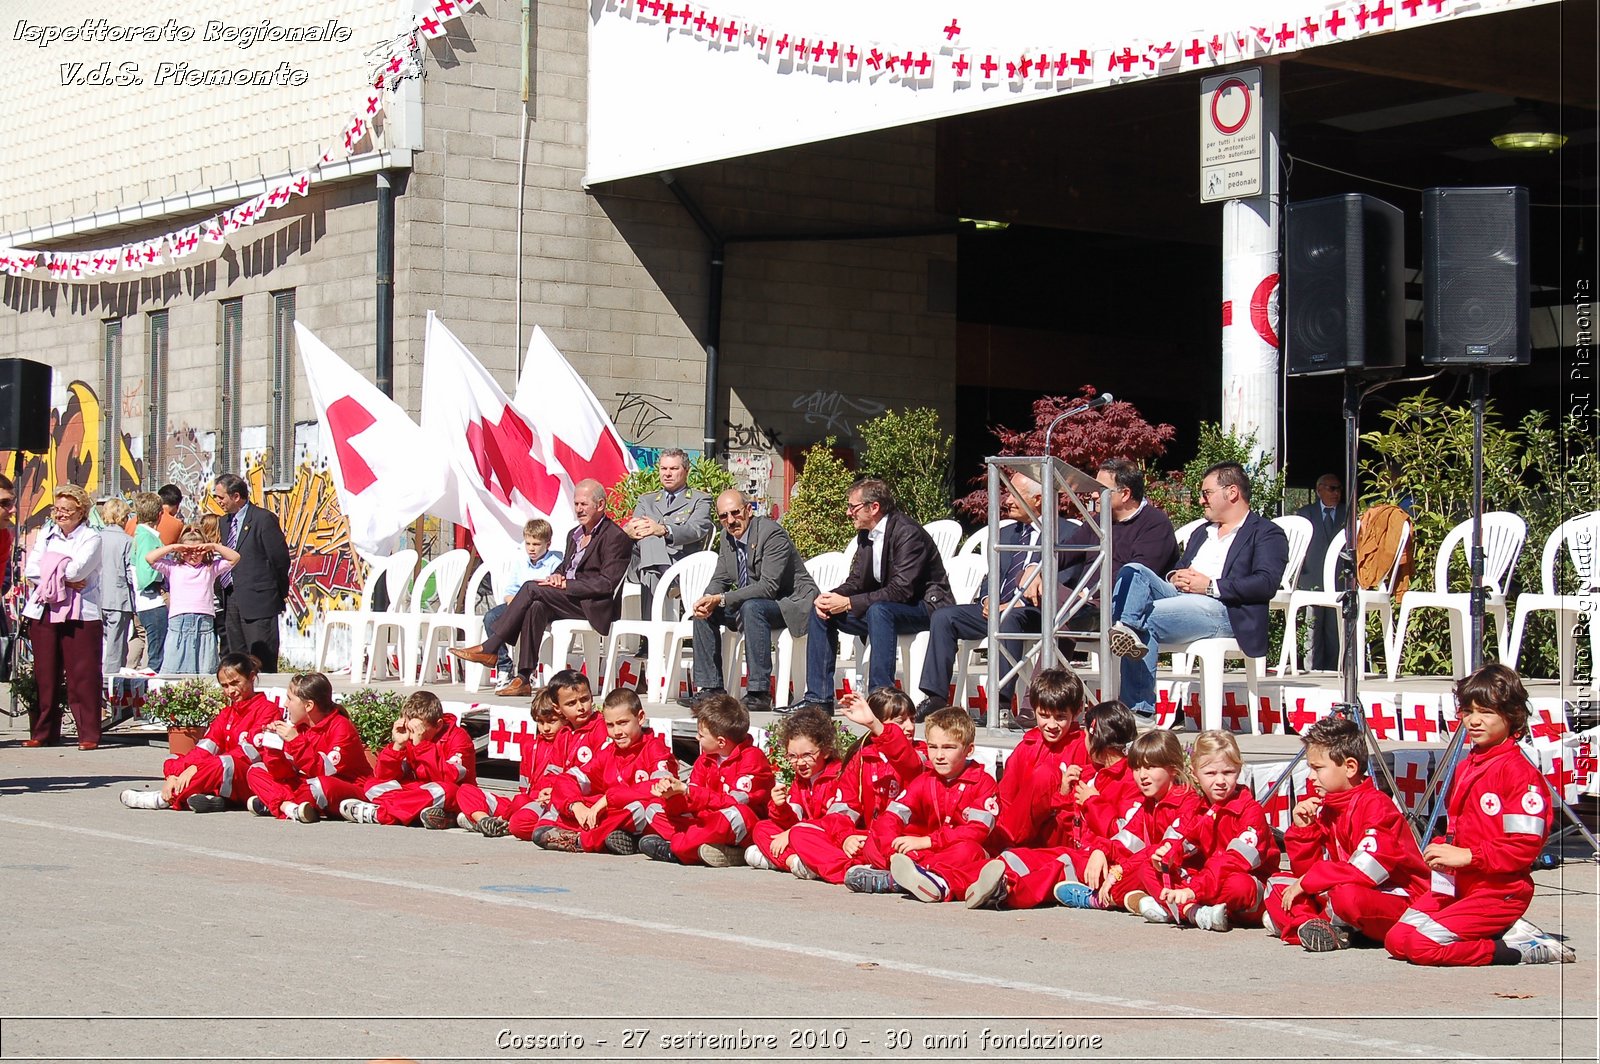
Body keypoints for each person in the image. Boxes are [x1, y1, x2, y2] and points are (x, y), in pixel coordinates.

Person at [1385, 665, 1575, 965]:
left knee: (1422, 948)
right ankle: (1496, 932)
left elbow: (1523, 847)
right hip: (1458, 886)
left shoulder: (1518, 774)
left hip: (1499, 892)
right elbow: (1461, 826)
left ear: (1511, 715)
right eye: (1468, 711)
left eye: (1485, 712)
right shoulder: (1467, 764)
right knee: (1397, 941)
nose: (1473, 721)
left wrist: (1468, 857)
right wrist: (1441, 847)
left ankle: (1520, 949)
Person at [1107, 461, 1289, 719]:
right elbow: (1179, 567)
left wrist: (1211, 586)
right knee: (1134, 570)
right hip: (1182, 600)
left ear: (1232, 492)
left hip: (1226, 610)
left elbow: (1266, 583)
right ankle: (1126, 628)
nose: (1201, 500)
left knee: (1142, 618)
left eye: (1206, 493)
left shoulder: (1267, 533)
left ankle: (1139, 711)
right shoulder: (1202, 532)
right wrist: (1175, 576)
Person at [449, 479, 630, 699]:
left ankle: (492, 646)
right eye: (576, 504)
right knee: (536, 605)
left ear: (600, 505)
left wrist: (567, 584)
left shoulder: (615, 537)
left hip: (591, 605)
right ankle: (523, 678)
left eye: (584, 504)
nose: (579, 509)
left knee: (530, 587)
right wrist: (557, 576)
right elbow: (567, 567)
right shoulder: (575, 534)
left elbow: (607, 583)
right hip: (568, 599)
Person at [1262, 715, 1429, 952]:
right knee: (1278, 884)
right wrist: (1303, 831)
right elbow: (1305, 872)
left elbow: (1367, 871)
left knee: (1345, 896)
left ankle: (1314, 925)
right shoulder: (1327, 807)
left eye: (1317, 768)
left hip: (1397, 897)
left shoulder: (1377, 806)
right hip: (1343, 890)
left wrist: (1310, 881)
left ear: (1350, 767)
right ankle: (1313, 927)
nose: (1310, 777)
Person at [791, 479, 953, 714]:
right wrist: (831, 597)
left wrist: (848, 603)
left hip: (924, 608)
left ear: (873, 507)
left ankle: (881, 698)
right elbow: (857, 580)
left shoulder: (907, 533)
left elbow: (901, 590)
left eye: (852, 507)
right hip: (886, 609)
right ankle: (819, 698)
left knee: (880, 610)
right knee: (823, 612)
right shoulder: (867, 534)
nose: (848, 513)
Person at [966, 699, 1140, 911]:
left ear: (1095, 739)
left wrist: (1094, 803)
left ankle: (1005, 891)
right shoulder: (1090, 773)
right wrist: (1064, 794)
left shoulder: (1132, 780)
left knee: (1059, 866)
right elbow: (1073, 825)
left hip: (1105, 862)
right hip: (1078, 850)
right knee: (1015, 856)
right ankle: (950, 880)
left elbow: (1128, 834)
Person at [914, 472, 1054, 722]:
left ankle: (1000, 704)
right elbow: (993, 575)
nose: (1007, 500)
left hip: (1036, 611)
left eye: (1014, 494)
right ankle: (936, 697)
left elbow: (1067, 576)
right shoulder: (1007, 533)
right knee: (945, 616)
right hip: (997, 608)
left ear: (1038, 500)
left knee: (1008, 619)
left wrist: (1012, 605)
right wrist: (988, 599)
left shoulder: (1061, 532)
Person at [847, 704, 999, 902]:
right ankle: (911, 873)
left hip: (958, 853)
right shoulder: (924, 780)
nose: (939, 756)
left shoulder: (984, 783)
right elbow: (891, 817)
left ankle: (897, 879)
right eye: (933, 747)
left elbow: (976, 832)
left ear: (969, 750)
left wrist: (927, 842)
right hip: (926, 853)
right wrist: (893, 851)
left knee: (969, 851)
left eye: (948, 748)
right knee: (873, 841)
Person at [690, 488, 819, 712]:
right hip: (755, 605)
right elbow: (720, 577)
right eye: (723, 516)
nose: (730, 521)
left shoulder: (772, 534)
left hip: (790, 603)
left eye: (735, 513)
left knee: (752, 608)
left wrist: (721, 598)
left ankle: (759, 693)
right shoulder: (726, 538)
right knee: (703, 614)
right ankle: (711, 689)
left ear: (749, 510)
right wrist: (707, 600)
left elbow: (768, 587)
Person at [783, 688, 925, 884]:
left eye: (912, 719)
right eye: (901, 722)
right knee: (801, 832)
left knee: (880, 848)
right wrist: (846, 838)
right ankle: (855, 873)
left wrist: (875, 725)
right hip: (867, 839)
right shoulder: (861, 757)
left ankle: (829, 867)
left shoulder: (922, 754)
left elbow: (910, 764)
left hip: (903, 839)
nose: (910, 727)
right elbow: (842, 810)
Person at [1054, 729, 1202, 915]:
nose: (1142, 776)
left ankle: (1100, 899)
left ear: (1173, 768)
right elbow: (1127, 839)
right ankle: (1140, 900)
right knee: (1103, 863)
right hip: (1159, 873)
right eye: (1137, 768)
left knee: (1140, 869)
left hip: (1185, 876)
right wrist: (1101, 850)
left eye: (1150, 767)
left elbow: (1162, 850)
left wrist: (1118, 872)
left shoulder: (1188, 802)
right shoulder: (1150, 804)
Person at [1146, 730, 1278, 931]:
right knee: (1148, 866)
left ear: (1239, 770)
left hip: (1246, 884)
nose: (1220, 781)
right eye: (1210, 773)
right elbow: (1178, 838)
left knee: (1238, 885)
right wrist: (1166, 855)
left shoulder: (1250, 811)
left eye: (1228, 772)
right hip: (1208, 881)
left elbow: (1233, 861)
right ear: (1195, 774)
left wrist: (1193, 890)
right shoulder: (1196, 807)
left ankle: (1183, 908)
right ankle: (1194, 911)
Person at [119, 653, 281, 810]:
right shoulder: (226, 713)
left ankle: (164, 799)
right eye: (225, 686)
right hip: (224, 777)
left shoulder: (268, 710)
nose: (230, 691)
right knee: (175, 758)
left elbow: (247, 753)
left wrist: (197, 768)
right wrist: (174, 775)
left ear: (252, 677)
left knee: (224, 763)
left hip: (251, 780)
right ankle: (208, 797)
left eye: (235, 683)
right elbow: (204, 748)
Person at [534, 687, 679, 854]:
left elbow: (660, 788)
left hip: (644, 815)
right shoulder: (608, 752)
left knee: (640, 807)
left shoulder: (655, 748)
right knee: (559, 802)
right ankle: (619, 837)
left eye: (623, 723)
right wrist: (577, 806)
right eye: (610, 725)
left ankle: (582, 840)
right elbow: (567, 779)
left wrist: (607, 800)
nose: (617, 732)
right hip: (614, 816)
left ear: (640, 718)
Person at [640, 692, 774, 866]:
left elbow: (732, 803)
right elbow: (693, 802)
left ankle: (677, 849)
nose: (697, 738)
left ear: (721, 742)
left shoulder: (752, 759)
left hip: (741, 825)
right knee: (653, 809)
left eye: (701, 735)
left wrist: (688, 791)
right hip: (707, 822)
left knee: (735, 815)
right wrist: (672, 796)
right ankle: (710, 850)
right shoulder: (705, 759)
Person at [21, 485, 103, 750]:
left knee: (83, 674)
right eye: (57, 509)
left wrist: (52, 568)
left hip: (82, 612)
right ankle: (44, 731)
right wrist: (59, 574)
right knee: (45, 673)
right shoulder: (46, 534)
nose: (60, 514)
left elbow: (79, 572)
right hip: (44, 607)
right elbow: (31, 569)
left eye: (66, 509)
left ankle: (88, 733)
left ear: (81, 511)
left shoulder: (92, 537)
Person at [339, 691, 476, 827]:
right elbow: (383, 776)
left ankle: (381, 814)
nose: (412, 735)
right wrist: (397, 746)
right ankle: (417, 812)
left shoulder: (458, 738)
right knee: (372, 785)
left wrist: (422, 746)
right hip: (419, 792)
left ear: (438, 725)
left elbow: (447, 778)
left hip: (453, 794)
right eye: (409, 728)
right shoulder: (408, 737)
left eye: (419, 729)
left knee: (445, 790)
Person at [244, 671, 366, 823]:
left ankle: (276, 802)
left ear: (308, 705)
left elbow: (325, 772)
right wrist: (273, 747)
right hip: (308, 786)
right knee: (256, 771)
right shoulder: (301, 728)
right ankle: (288, 807)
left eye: (290, 699)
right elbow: (282, 772)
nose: (285, 704)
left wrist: (296, 741)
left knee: (319, 786)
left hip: (342, 787)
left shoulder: (341, 726)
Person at [450, 687, 565, 837]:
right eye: (540, 722)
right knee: (465, 790)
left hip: (545, 805)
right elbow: (524, 787)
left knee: (521, 803)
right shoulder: (531, 747)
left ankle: (491, 822)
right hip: (523, 802)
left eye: (552, 721)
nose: (546, 728)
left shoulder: (566, 744)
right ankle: (485, 821)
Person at [511, 669, 608, 841]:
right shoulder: (563, 734)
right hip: (561, 799)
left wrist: (563, 791)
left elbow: (599, 775)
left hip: (589, 799)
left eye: (585, 699)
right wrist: (548, 789)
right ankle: (576, 832)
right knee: (519, 823)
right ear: (558, 708)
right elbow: (553, 772)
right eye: (571, 703)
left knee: (540, 828)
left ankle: (582, 834)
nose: (580, 707)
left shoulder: (601, 728)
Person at [745, 707, 843, 873]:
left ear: (825, 751)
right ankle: (795, 862)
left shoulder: (838, 776)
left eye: (807, 755)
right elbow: (792, 819)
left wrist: (793, 832)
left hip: (825, 837)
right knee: (762, 828)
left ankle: (779, 860)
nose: (800, 763)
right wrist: (780, 806)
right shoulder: (801, 781)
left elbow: (834, 823)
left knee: (793, 838)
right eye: (792, 756)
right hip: (802, 834)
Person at [211, 473, 290, 670]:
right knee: (237, 659)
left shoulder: (263, 519)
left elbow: (279, 559)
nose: (218, 501)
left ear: (236, 496)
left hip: (259, 599)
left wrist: (277, 591)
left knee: (260, 659)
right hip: (231, 597)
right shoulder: (224, 522)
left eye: (221, 497)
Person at [624, 449, 713, 620]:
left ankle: (649, 638)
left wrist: (664, 530)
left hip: (678, 562)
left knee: (650, 570)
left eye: (673, 469)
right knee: (649, 539)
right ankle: (669, 577)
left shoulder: (699, 499)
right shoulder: (647, 500)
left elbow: (697, 529)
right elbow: (634, 528)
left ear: (686, 471)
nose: (667, 474)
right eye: (663, 469)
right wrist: (627, 531)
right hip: (640, 564)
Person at [147, 527, 239, 675]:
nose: (193, 556)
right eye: (188, 552)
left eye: (197, 551)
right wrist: (174, 547)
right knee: (175, 663)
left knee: (205, 665)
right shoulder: (173, 567)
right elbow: (150, 558)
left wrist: (213, 546)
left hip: (204, 621)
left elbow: (234, 557)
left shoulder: (210, 568)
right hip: (179, 621)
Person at [480, 519, 564, 677]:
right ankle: (504, 666)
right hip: (518, 605)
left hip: (540, 609)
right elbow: (510, 590)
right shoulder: (521, 562)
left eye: (536, 544)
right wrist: (514, 604)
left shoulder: (556, 563)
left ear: (548, 544)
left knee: (528, 614)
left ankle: (525, 672)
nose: (531, 549)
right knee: (491, 617)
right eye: (528, 544)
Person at [1294, 473, 1346, 671]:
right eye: (1332, 488)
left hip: (1337, 581)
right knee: (1312, 632)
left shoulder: (1346, 513)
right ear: (1319, 490)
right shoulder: (1305, 514)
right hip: (1312, 581)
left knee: (1335, 632)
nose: (1336, 493)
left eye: (1339, 489)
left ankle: (1335, 671)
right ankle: (1311, 671)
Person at [96, 499, 136, 676]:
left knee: (99, 643)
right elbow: (130, 572)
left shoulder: (96, 538)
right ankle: (110, 682)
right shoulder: (127, 541)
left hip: (97, 596)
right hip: (119, 597)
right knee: (117, 645)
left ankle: (98, 679)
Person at [129, 493, 169, 673]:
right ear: (160, 514)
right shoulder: (147, 537)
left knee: (156, 649)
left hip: (146, 603)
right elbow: (145, 573)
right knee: (157, 655)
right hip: (152, 603)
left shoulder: (141, 534)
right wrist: (160, 586)